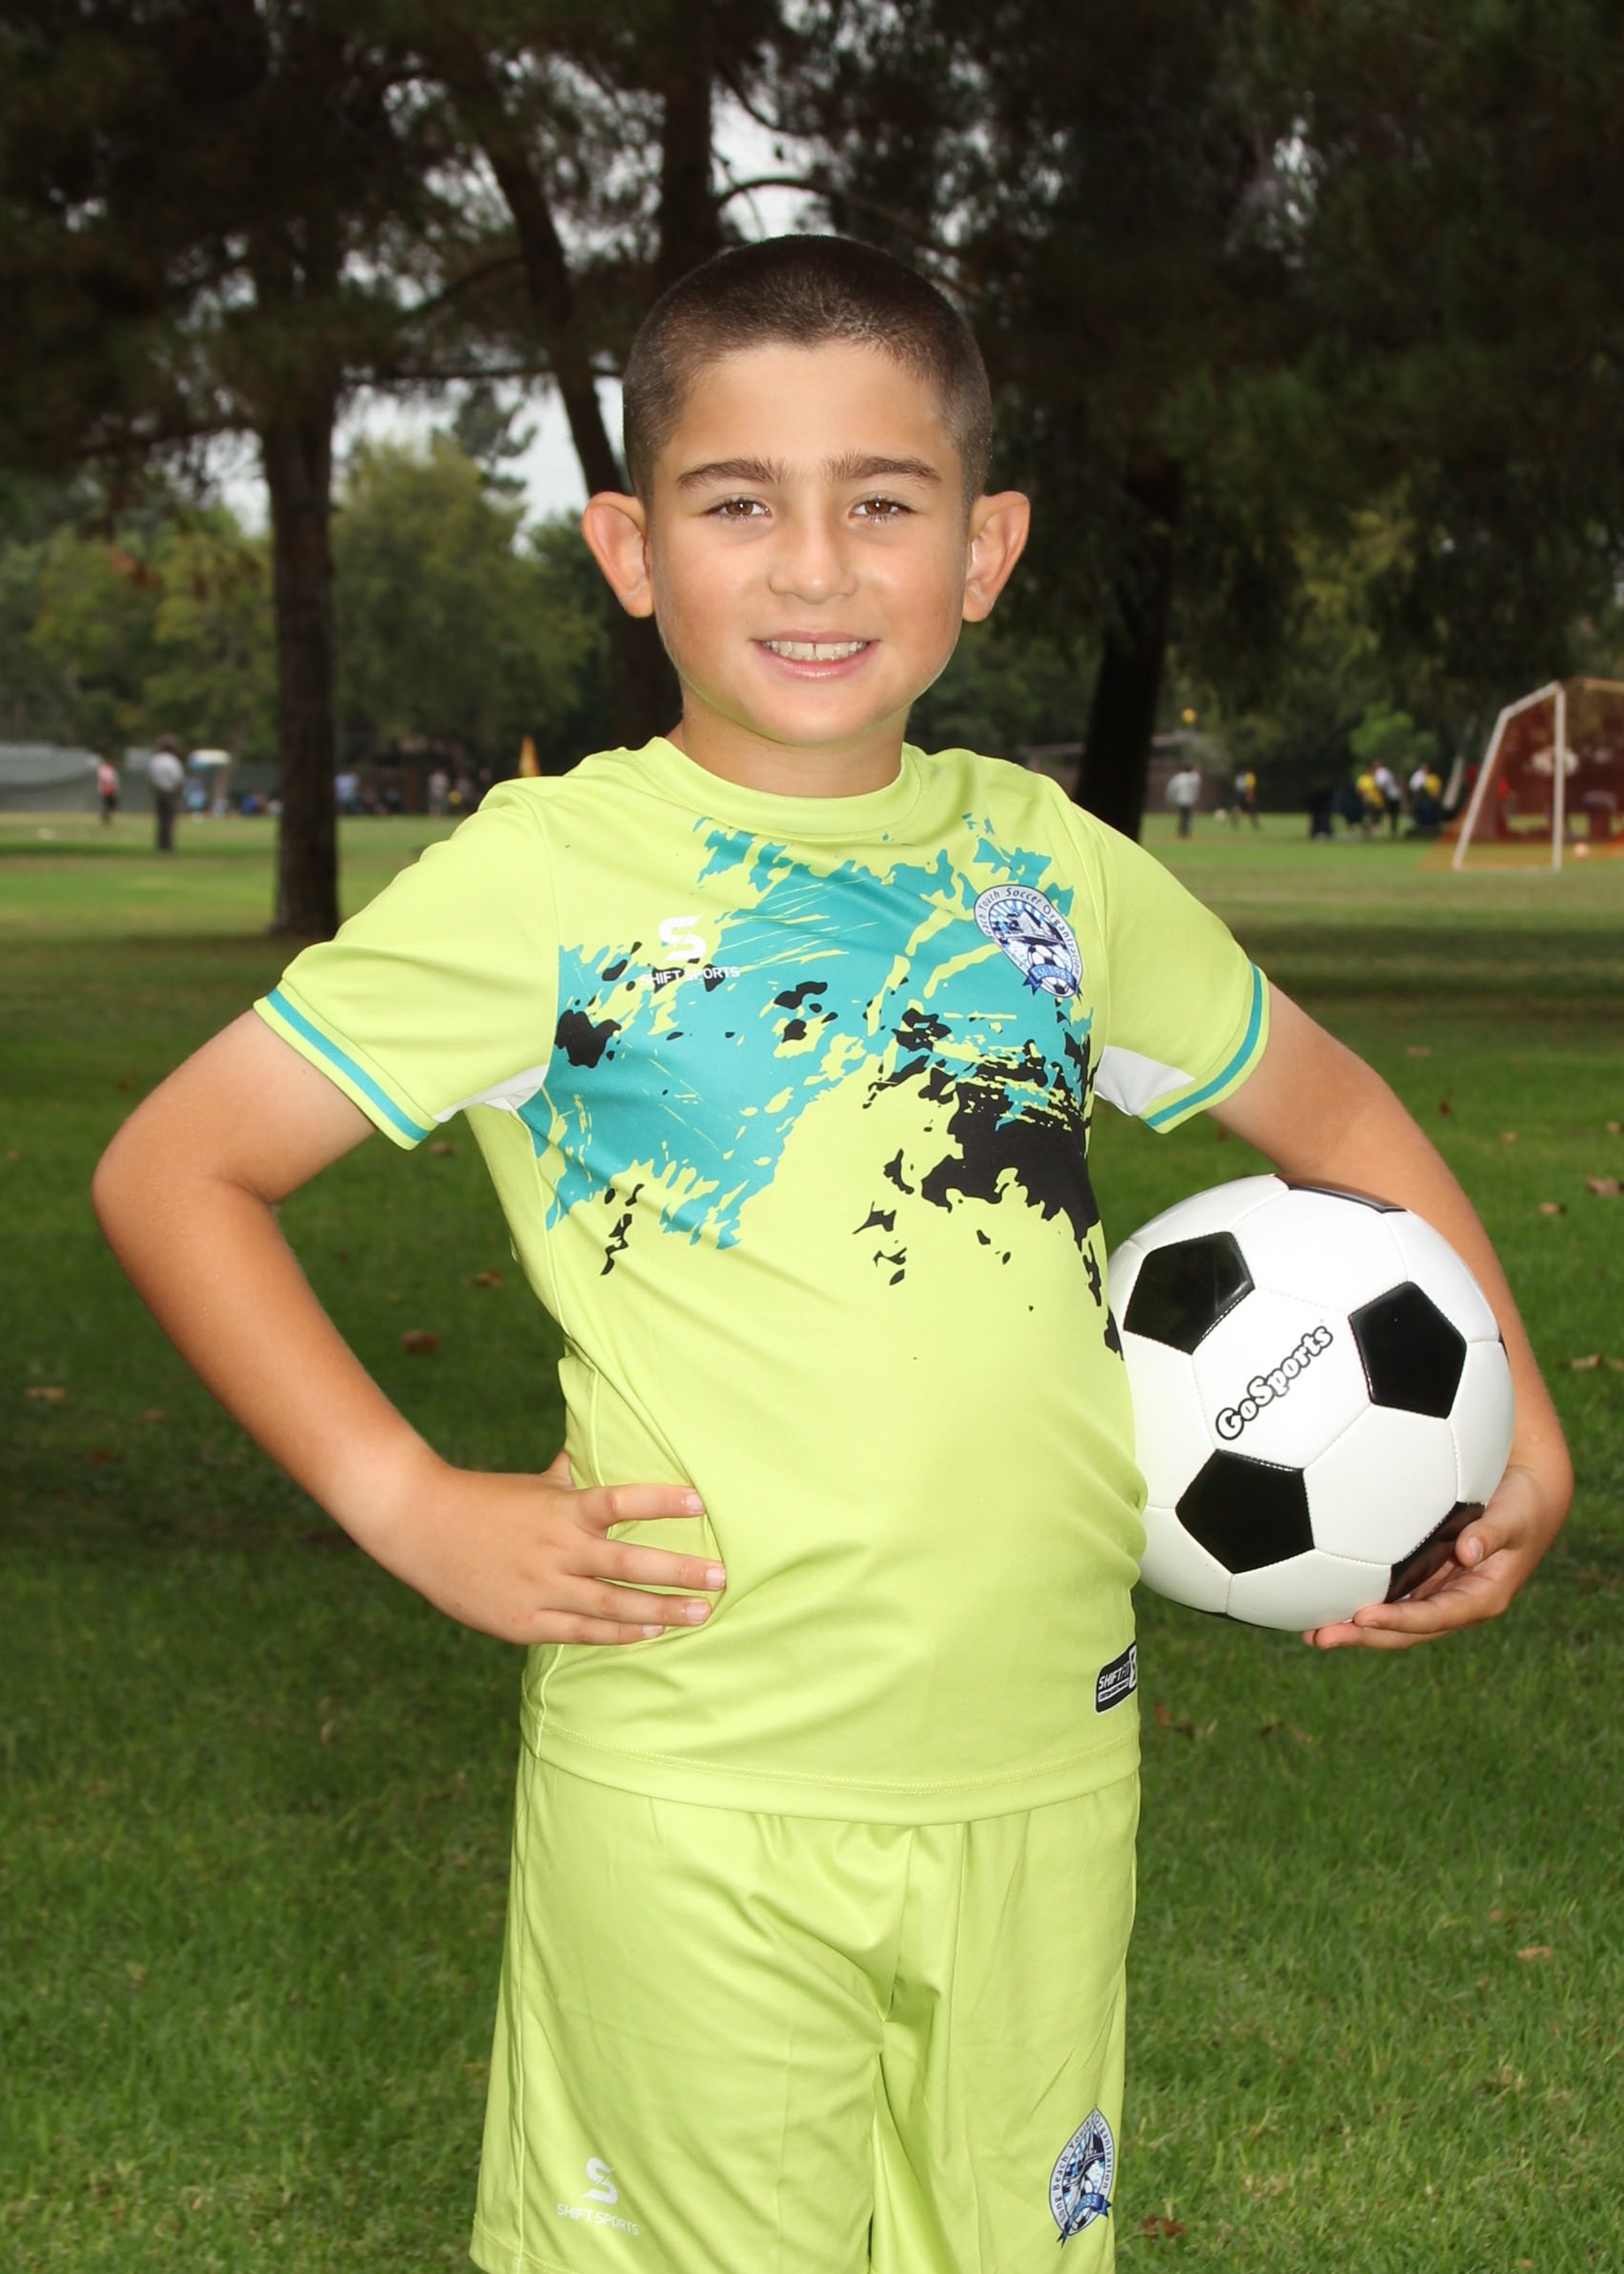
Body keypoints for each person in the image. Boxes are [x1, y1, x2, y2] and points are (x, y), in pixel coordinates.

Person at [93, 236, 1571, 2274]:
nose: (813, 567)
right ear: (630, 550)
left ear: (985, 549)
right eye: (736, 503)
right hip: (695, 1779)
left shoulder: (1050, 870)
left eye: (881, 503)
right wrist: (403, 1497)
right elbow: (178, 1169)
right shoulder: (545, 881)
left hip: (1041, 1780)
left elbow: (1340, 1116)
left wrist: (1518, 1422)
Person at [145, 735, 185, 852]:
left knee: (161, 820)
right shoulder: (173, 761)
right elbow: (177, 780)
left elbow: (150, 779)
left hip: (158, 792)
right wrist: (178, 795)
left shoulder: (155, 760)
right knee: (169, 820)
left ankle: (160, 843)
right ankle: (168, 845)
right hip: (170, 793)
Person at [1165, 759, 1202, 837]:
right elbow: (1197, 782)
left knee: (1183, 815)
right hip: (1190, 800)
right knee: (1188, 816)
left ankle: (1182, 831)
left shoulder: (1179, 777)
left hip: (1180, 799)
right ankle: (1185, 831)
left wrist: (1171, 798)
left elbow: (1172, 788)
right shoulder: (1194, 778)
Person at [95, 756, 119, 825]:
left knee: (111, 805)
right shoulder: (104, 769)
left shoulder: (111, 769)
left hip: (111, 789)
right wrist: (107, 788)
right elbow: (105, 780)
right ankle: (105, 817)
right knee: (109, 804)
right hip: (107, 790)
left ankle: (106, 817)